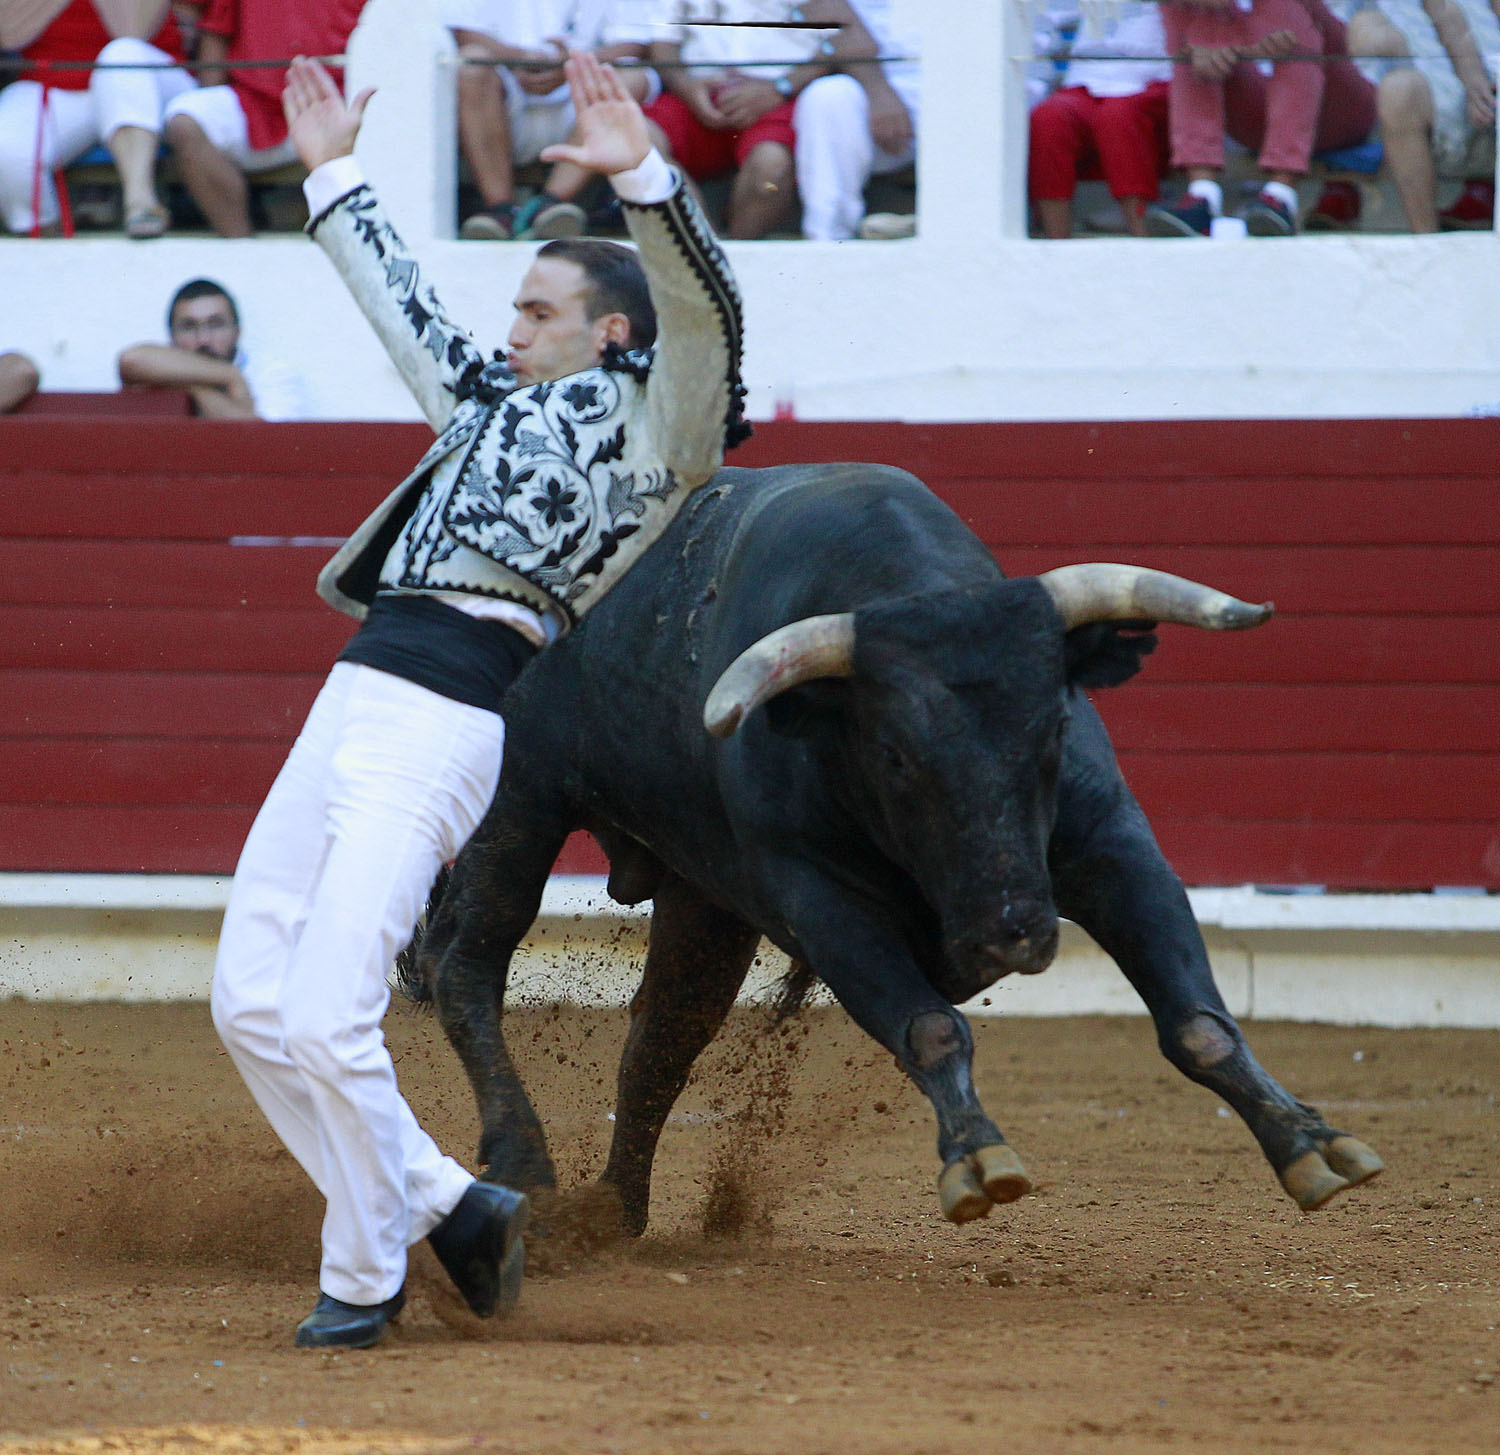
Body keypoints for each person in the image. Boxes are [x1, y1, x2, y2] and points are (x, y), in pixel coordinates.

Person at [211, 51, 747, 1350]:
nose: (509, 324)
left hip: (443, 710)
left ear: (611, 332)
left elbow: (708, 321)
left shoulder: (656, 427)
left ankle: (365, 1270)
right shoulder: (486, 403)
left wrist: (645, 181)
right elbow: (399, 301)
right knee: (248, 996)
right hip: (354, 693)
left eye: (537, 305)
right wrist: (330, 164)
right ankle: (451, 1198)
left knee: (331, 1008)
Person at [1148, 0, 1377, 237]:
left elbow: (1336, 43)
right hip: (1260, 117)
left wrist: (1236, 41)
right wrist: (1219, 43)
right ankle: (1201, 196)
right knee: (1192, 37)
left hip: (1340, 107)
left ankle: (1281, 196)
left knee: (1290, 12)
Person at [443, 0, 657, 241]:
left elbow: (633, 44)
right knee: (473, 62)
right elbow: (462, 29)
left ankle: (550, 205)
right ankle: (500, 210)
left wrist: (571, 64)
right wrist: (520, 58)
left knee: (630, 75)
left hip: (582, 88)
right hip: (505, 89)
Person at [162, 0, 365, 237]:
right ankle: (243, 247)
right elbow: (217, 32)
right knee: (186, 121)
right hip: (255, 105)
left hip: (341, 110)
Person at [0, 0, 194, 238]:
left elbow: (131, 31)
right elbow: (10, 35)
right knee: (8, 150)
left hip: (148, 80)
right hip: (56, 82)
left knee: (121, 55)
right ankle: (44, 238)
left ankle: (141, 203)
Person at [645, 0, 833, 238]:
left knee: (771, 167)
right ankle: (703, 250)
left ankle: (737, 255)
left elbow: (836, 43)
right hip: (696, 94)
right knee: (640, 137)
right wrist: (686, 86)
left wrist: (780, 88)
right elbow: (663, 40)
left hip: (778, 97)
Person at [1311, 0, 1500, 231]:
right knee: (1397, 88)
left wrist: (1474, 80)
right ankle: (1426, 239)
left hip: (1467, 89)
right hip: (1392, 100)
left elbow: (1450, 22)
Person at [1028, 2, 1172, 239]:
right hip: (1085, 83)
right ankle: (1055, 246)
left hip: (1152, 80)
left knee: (1117, 115)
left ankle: (1144, 239)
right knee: (1049, 119)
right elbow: (1042, 15)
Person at [793, 0, 920, 242]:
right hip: (878, 86)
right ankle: (828, 241)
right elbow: (825, 12)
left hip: (976, 88)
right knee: (828, 96)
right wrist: (879, 92)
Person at [117, 277, 308, 418]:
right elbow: (131, 360)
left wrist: (193, 385)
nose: (203, 339)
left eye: (216, 324)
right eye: (188, 327)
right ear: (172, 336)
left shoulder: (271, 373)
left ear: (237, 331)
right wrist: (230, 376)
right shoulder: (159, 367)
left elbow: (265, 442)